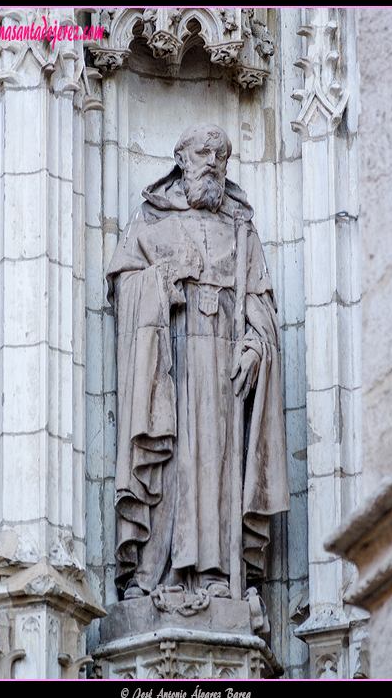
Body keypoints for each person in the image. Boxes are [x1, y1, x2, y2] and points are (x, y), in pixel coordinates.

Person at [106, 123, 290, 600]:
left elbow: (262, 306)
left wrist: (255, 345)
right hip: (169, 363)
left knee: (215, 463)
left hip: (224, 373)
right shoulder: (150, 221)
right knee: (167, 457)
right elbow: (124, 288)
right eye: (204, 152)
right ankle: (150, 574)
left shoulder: (241, 230)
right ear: (181, 158)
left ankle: (216, 573)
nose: (213, 161)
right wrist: (161, 281)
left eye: (222, 155)